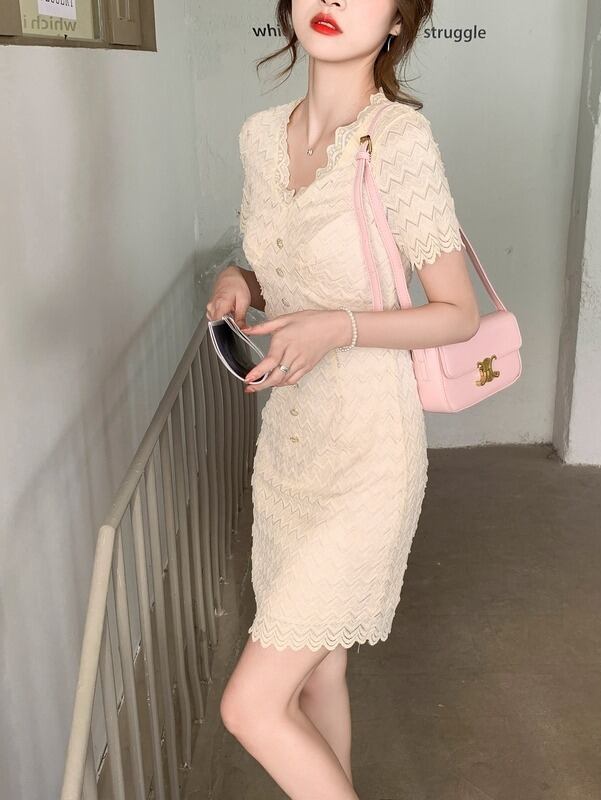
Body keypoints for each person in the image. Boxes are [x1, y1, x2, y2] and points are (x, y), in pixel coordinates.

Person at [206, 1, 480, 797]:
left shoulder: (397, 140)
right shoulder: (260, 136)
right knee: (317, 677)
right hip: (292, 449)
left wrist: (339, 327)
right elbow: (281, 260)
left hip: (368, 454)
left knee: (250, 707)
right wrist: (238, 278)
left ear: (396, 22)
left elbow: (457, 314)